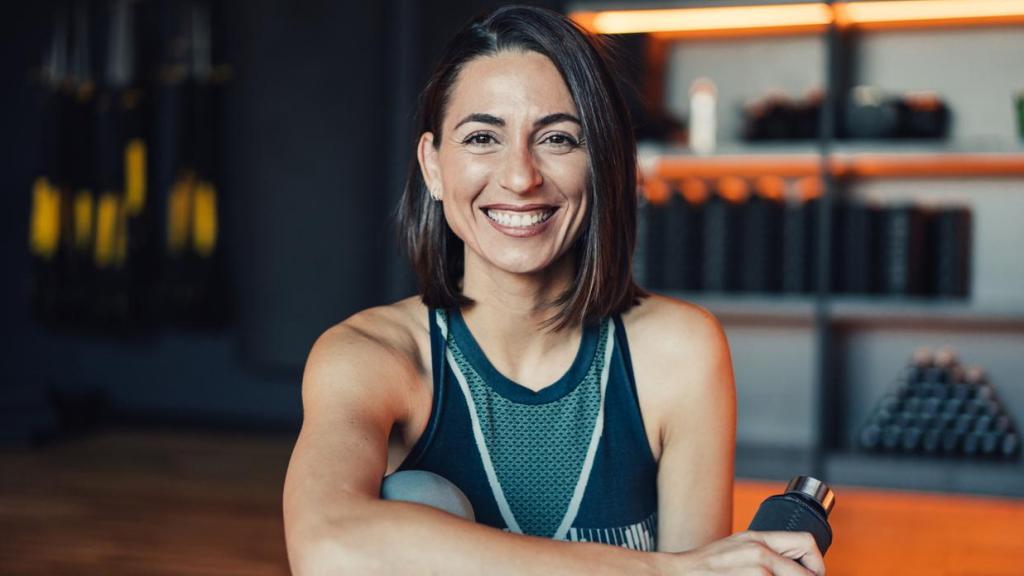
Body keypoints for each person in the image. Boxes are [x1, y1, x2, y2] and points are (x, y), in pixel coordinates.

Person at [283, 5, 825, 575]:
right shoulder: (369, 356)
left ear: (602, 163)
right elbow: (327, 544)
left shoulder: (679, 351)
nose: (521, 177)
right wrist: (664, 569)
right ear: (434, 166)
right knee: (418, 498)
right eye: (482, 137)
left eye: (558, 139)